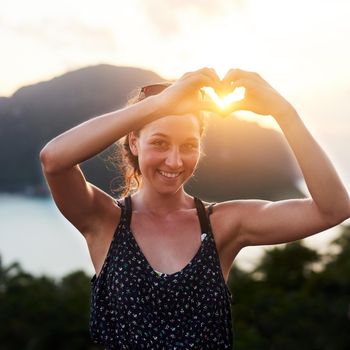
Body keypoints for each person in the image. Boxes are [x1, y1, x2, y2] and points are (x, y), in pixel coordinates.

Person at [39, 67, 350, 349]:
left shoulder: (222, 224)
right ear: (134, 143)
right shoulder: (103, 219)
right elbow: (54, 160)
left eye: (188, 145)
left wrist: (285, 113)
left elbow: (334, 208)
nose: (174, 161)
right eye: (159, 142)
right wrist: (158, 106)